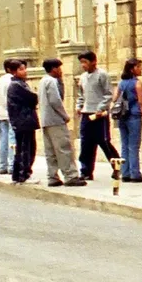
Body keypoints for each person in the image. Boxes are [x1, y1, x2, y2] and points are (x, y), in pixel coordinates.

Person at [39, 58, 85, 187]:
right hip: (55, 120)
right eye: (59, 68)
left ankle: (52, 176)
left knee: (51, 151)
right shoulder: (51, 81)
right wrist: (65, 115)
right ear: (53, 69)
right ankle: (70, 175)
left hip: (46, 120)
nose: (60, 71)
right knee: (63, 148)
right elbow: (55, 101)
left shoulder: (43, 80)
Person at [75, 50, 120, 180]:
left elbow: (108, 94)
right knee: (86, 143)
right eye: (82, 62)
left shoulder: (102, 75)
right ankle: (86, 171)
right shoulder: (83, 77)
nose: (83, 65)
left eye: (85, 62)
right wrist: (79, 106)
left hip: (100, 115)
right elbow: (81, 95)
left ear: (93, 62)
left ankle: (117, 167)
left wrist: (101, 108)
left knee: (104, 142)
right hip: (86, 114)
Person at [115, 58, 142, 183]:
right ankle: (135, 174)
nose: (140, 69)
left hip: (122, 116)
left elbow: (115, 99)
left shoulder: (121, 83)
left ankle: (125, 173)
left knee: (124, 145)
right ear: (132, 69)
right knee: (134, 146)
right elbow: (141, 103)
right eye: (138, 67)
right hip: (134, 116)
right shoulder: (137, 84)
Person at [5, 60, 38, 184]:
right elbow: (32, 98)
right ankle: (23, 174)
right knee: (25, 149)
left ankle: (19, 174)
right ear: (13, 72)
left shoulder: (20, 84)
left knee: (26, 148)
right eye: (21, 69)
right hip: (23, 121)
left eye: (24, 69)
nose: (24, 72)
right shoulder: (16, 85)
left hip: (24, 120)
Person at [0, 59, 16, 175]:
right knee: (12, 140)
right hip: (11, 114)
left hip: (1, 113)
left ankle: (2, 165)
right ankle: (12, 165)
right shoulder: (12, 81)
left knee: (3, 140)